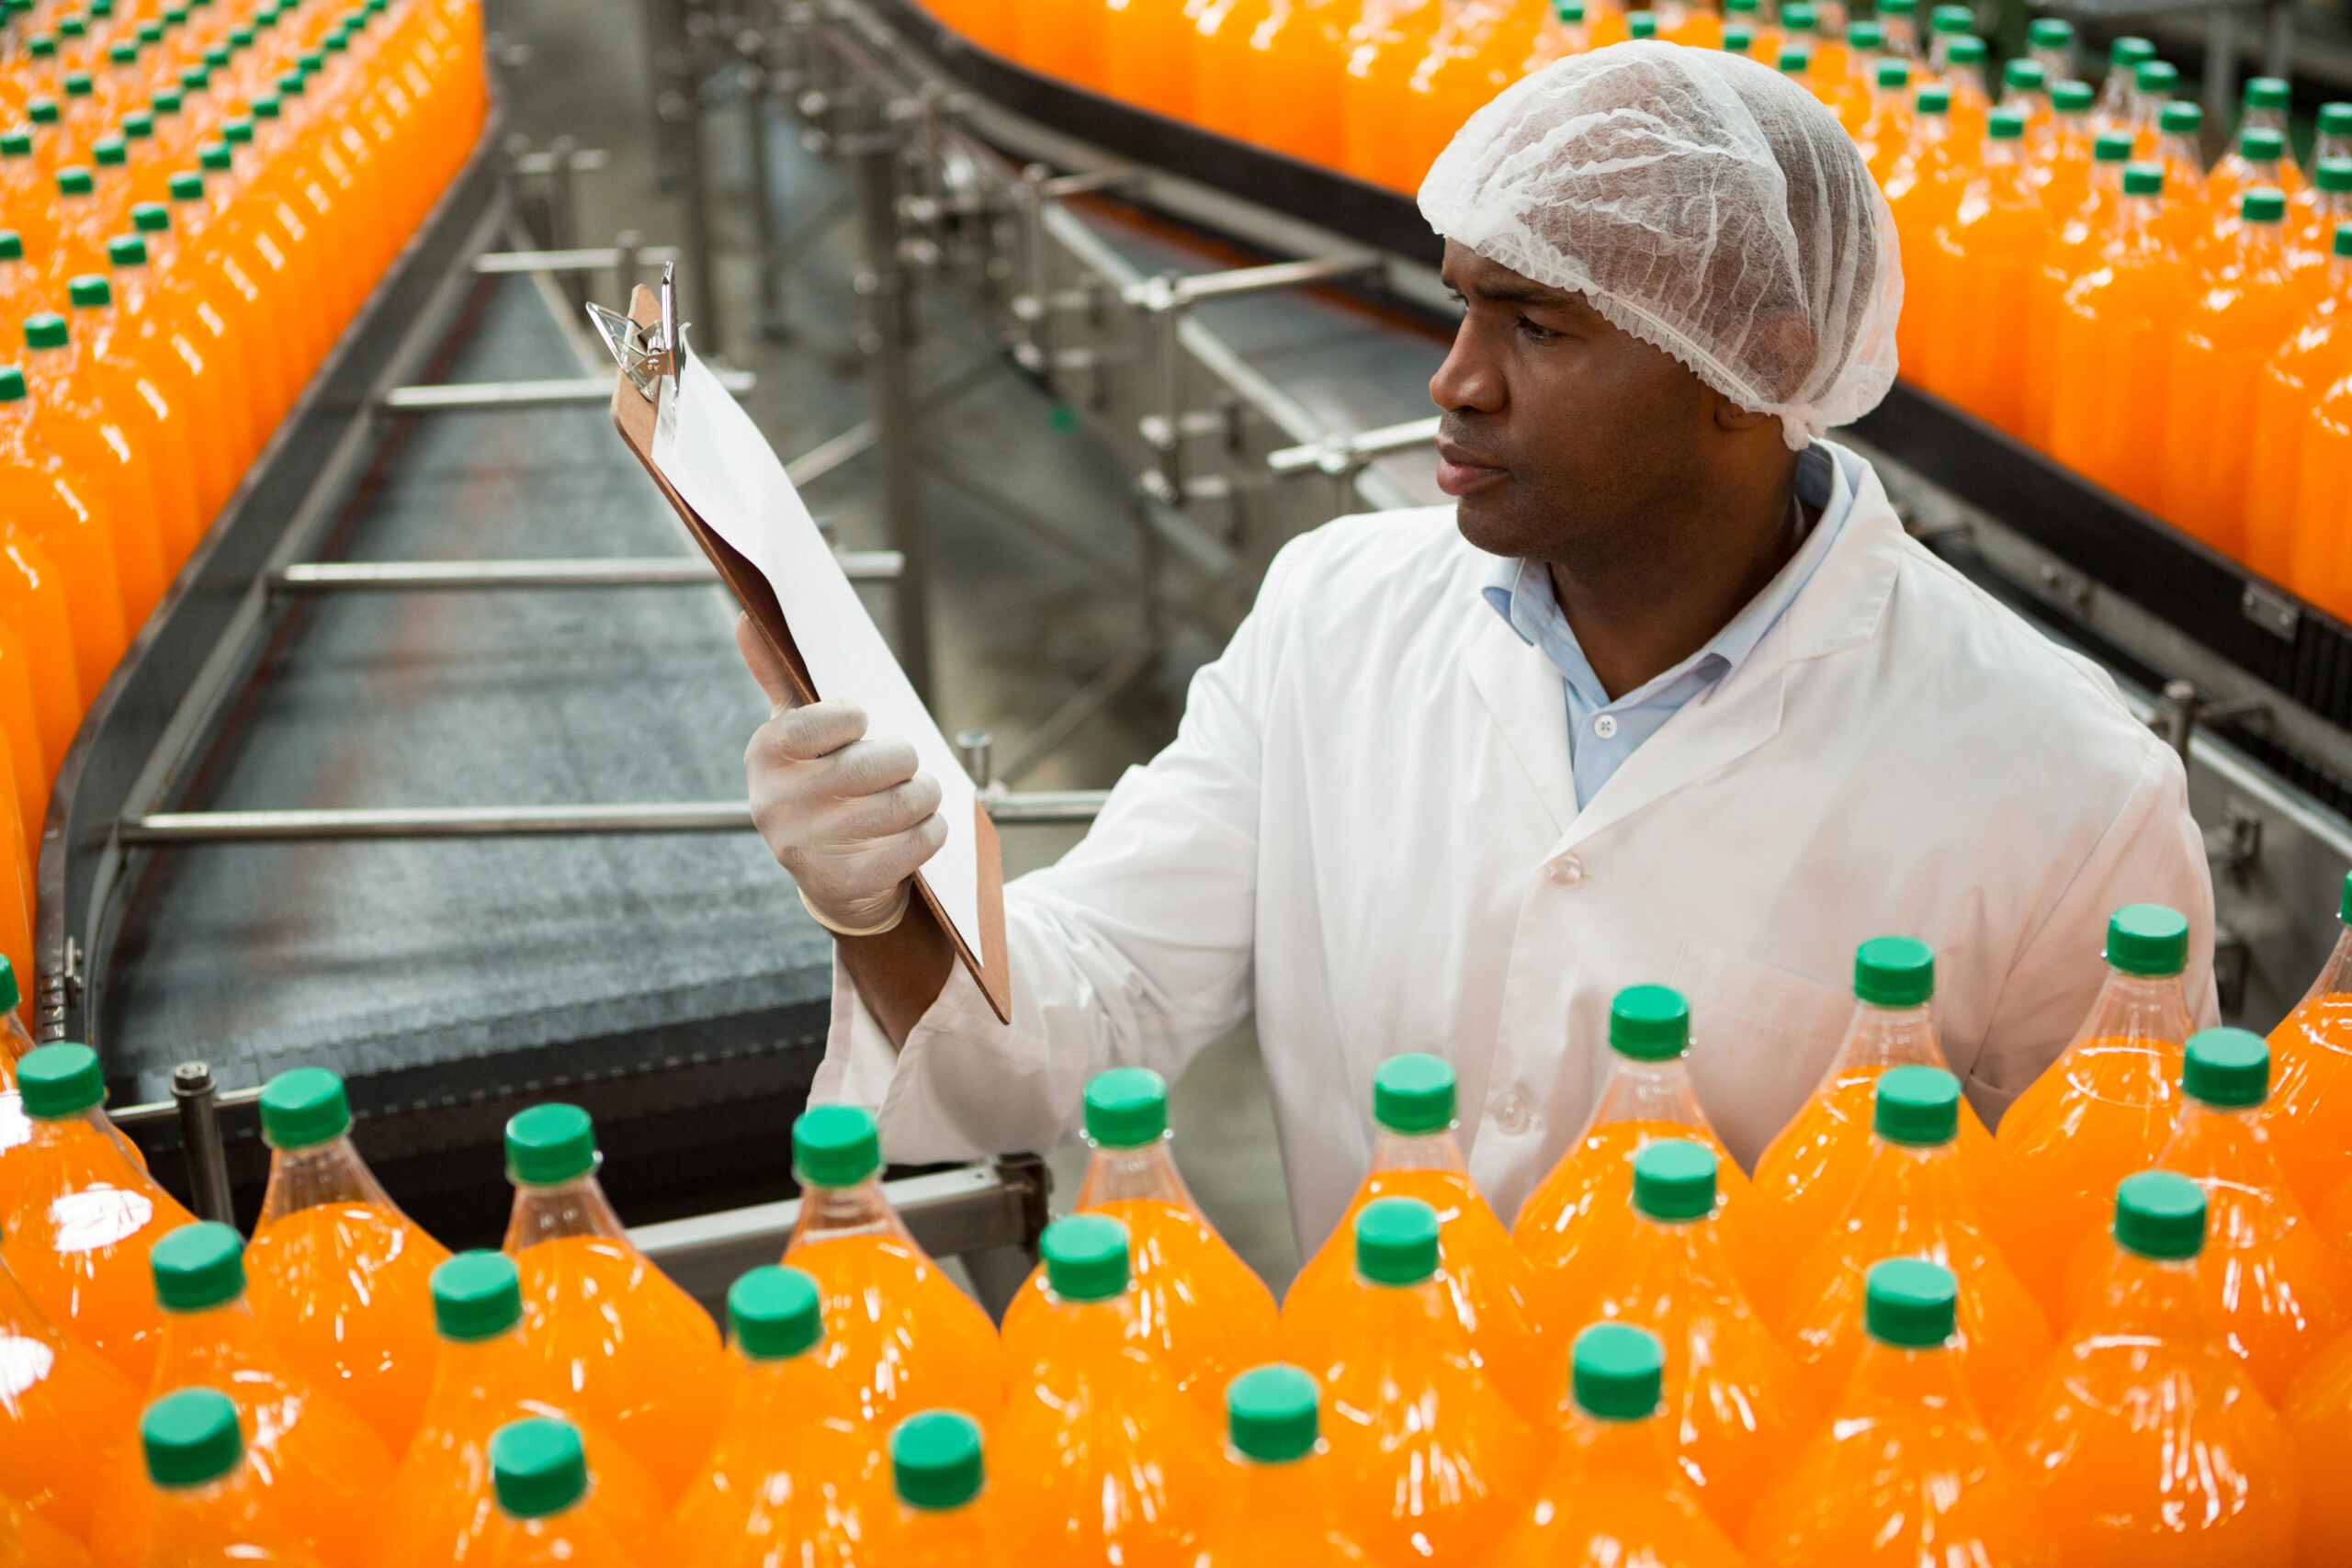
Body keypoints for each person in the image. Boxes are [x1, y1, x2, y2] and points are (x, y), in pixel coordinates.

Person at [736, 42, 2215, 1253]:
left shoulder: (2067, 800)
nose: (1455, 379)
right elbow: (1102, 991)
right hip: (1382, 1470)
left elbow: (2095, 1288)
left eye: (1541, 327)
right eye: (1460, 304)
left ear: (1755, 362)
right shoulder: (1337, 615)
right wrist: (890, 899)